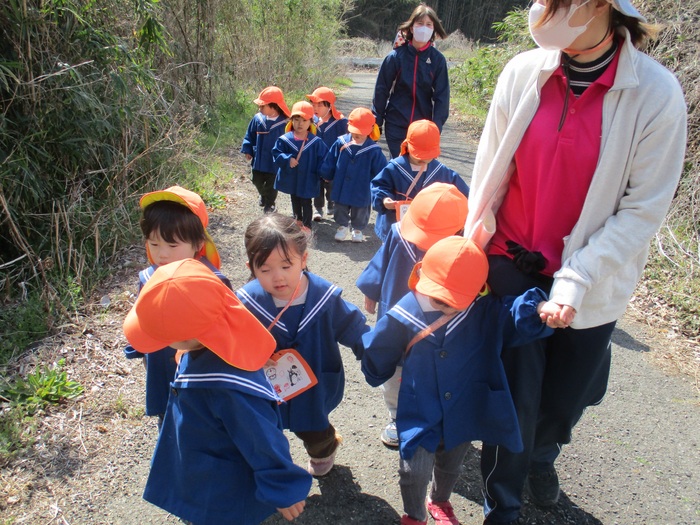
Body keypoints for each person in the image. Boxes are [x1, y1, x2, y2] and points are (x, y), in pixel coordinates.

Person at [462, 1, 688, 523]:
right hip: (511, 259)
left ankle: (543, 453)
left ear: (601, 6)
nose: (541, 11)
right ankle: (503, 505)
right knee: (515, 394)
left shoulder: (656, 93)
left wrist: (577, 276)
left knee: (568, 397)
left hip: (593, 277)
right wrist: (473, 241)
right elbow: (490, 166)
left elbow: (643, 208)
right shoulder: (523, 72)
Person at [361, 236, 558, 525]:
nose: (442, 301)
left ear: (479, 289)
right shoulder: (407, 311)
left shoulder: (485, 310)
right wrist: (375, 370)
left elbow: (513, 313)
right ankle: (414, 515)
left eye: (452, 299)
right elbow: (381, 345)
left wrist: (538, 309)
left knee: (451, 463)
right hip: (421, 405)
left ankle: (439, 499)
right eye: (437, 294)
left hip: (465, 404)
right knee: (412, 469)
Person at [123, 258, 312, 525]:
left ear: (189, 337)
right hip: (201, 455)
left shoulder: (226, 388)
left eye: (164, 337)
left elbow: (261, 437)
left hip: (221, 486)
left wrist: (283, 487)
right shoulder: (221, 327)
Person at [236, 214, 371, 477]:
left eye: (286, 266)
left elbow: (354, 329)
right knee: (264, 430)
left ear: (304, 259)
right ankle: (275, 474)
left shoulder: (324, 298)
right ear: (251, 267)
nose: (278, 277)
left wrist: (380, 353)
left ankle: (324, 450)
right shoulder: (245, 303)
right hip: (266, 386)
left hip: (314, 384)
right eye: (265, 269)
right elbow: (231, 341)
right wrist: (247, 354)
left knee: (314, 429)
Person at [357, 182, 468, 448]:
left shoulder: (462, 247)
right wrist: (372, 290)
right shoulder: (399, 232)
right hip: (398, 313)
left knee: (435, 371)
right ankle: (397, 417)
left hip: (438, 323)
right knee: (395, 371)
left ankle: (440, 416)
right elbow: (381, 262)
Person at [123, 185, 231, 427]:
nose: (162, 255)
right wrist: (140, 350)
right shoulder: (148, 278)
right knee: (167, 418)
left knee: (200, 421)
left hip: (202, 370)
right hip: (161, 365)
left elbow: (229, 329)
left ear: (197, 243)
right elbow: (143, 320)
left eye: (172, 246)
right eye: (154, 244)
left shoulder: (212, 282)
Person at [371, 119, 469, 242]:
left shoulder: (442, 172)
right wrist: (384, 199)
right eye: (418, 155)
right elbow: (379, 185)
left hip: (428, 231)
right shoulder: (395, 167)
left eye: (427, 155)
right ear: (407, 146)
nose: (423, 159)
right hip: (396, 225)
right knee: (394, 252)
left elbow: (464, 195)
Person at [372, 3, 449, 158]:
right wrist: (376, 121)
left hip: (422, 129)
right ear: (412, 28)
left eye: (428, 24)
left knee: (417, 167)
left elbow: (442, 97)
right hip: (396, 124)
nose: (424, 28)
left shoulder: (437, 60)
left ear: (433, 29)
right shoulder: (395, 57)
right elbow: (381, 90)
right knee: (399, 165)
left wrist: (436, 128)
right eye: (420, 23)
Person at [319, 107, 388, 243]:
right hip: (341, 183)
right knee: (340, 206)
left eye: (361, 132)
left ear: (370, 130)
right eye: (354, 131)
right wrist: (326, 173)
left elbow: (381, 171)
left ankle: (357, 229)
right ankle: (342, 226)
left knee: (360, 209)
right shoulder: (341, 142)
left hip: (362, 186)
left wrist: (381, 186)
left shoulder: (373, 150)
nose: (357, 134)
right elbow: (331, 160)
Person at [272, 101, 328, 231]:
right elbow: (276, 153)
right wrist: (287, 159)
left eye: (304, 120)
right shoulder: (285, 139)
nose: (300, 124)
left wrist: (325, 173)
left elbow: (324, 159)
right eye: (296, 120)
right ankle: (298, 221)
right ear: (291, 120)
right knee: (295, 198)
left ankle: (307, 226)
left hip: (309, 177)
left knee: (306, 201)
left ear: (311, 122)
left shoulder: (316, 142)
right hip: (293, 177)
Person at [241, 86, 291, 214]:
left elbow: (290, 141)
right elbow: (249, 135)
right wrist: (248, 149)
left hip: (274, 162)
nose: (260, 108)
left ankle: (270, 204)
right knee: (256, 180)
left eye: (263, 106)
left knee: (272, 184)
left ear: (274, 106)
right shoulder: (258, 119)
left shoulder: (285, 123)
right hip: (259, 159)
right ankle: (263, 195)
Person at [306, 86, 349, 221]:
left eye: (319, 105)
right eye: (313, 104)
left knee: (331, 185)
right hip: (316, 160)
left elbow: (347, 141)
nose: (315, 108)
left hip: (333, 162)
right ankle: (318, 208)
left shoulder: (341, 122)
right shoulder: (311, 121)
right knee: (316, 184)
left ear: (329, 106)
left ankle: (331, 202)